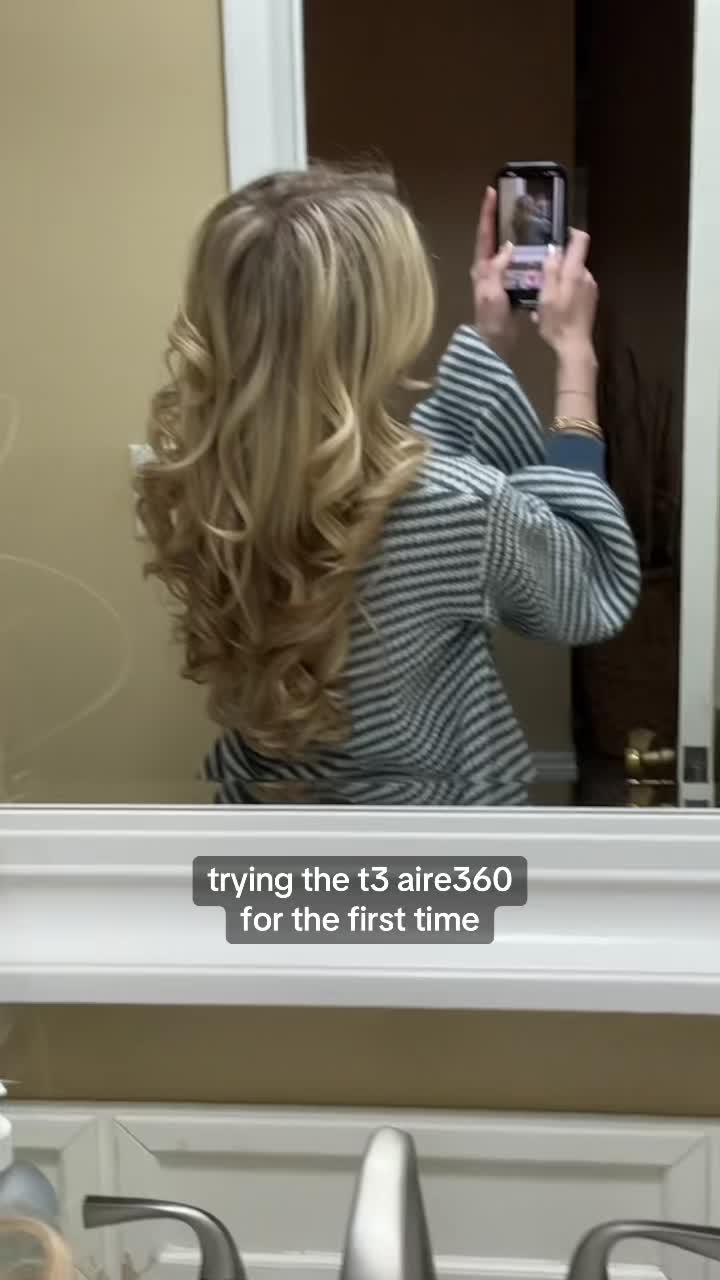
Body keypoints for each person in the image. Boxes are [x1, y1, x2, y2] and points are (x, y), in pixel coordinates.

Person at [137, 165, 639, 806]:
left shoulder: (205, 484)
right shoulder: (459, 508)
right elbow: (588, 583)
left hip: (269, 827)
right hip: (425, 845)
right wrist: (576, 361)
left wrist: (491, 339)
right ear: (383, 329)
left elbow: (397, 474)